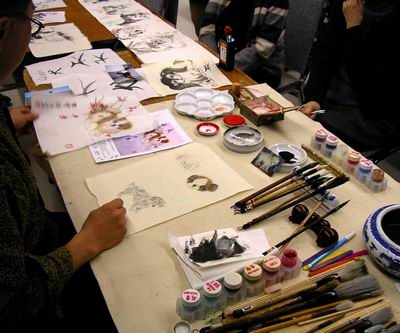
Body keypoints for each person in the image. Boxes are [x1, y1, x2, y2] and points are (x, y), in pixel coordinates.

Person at [0, 1, 127, 331]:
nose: (30, 36)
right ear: (3, 29)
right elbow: (10, 302)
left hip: (36, 234)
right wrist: (85, 244)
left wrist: (4, 120)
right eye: (32, 23)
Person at [301, 0, 400, 153]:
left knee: (310, 133)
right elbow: (325, 52)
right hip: (334, 99)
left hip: (375, 113)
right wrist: (314, 97)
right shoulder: (349, 3)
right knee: (297, 122)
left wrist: (353, 27)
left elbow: (369, 89)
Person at [199, 0, 289, 88]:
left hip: (260, 68)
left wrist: (223, 67)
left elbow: (261, 49)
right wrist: (212, 59)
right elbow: (208, 28)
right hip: (221, 60)